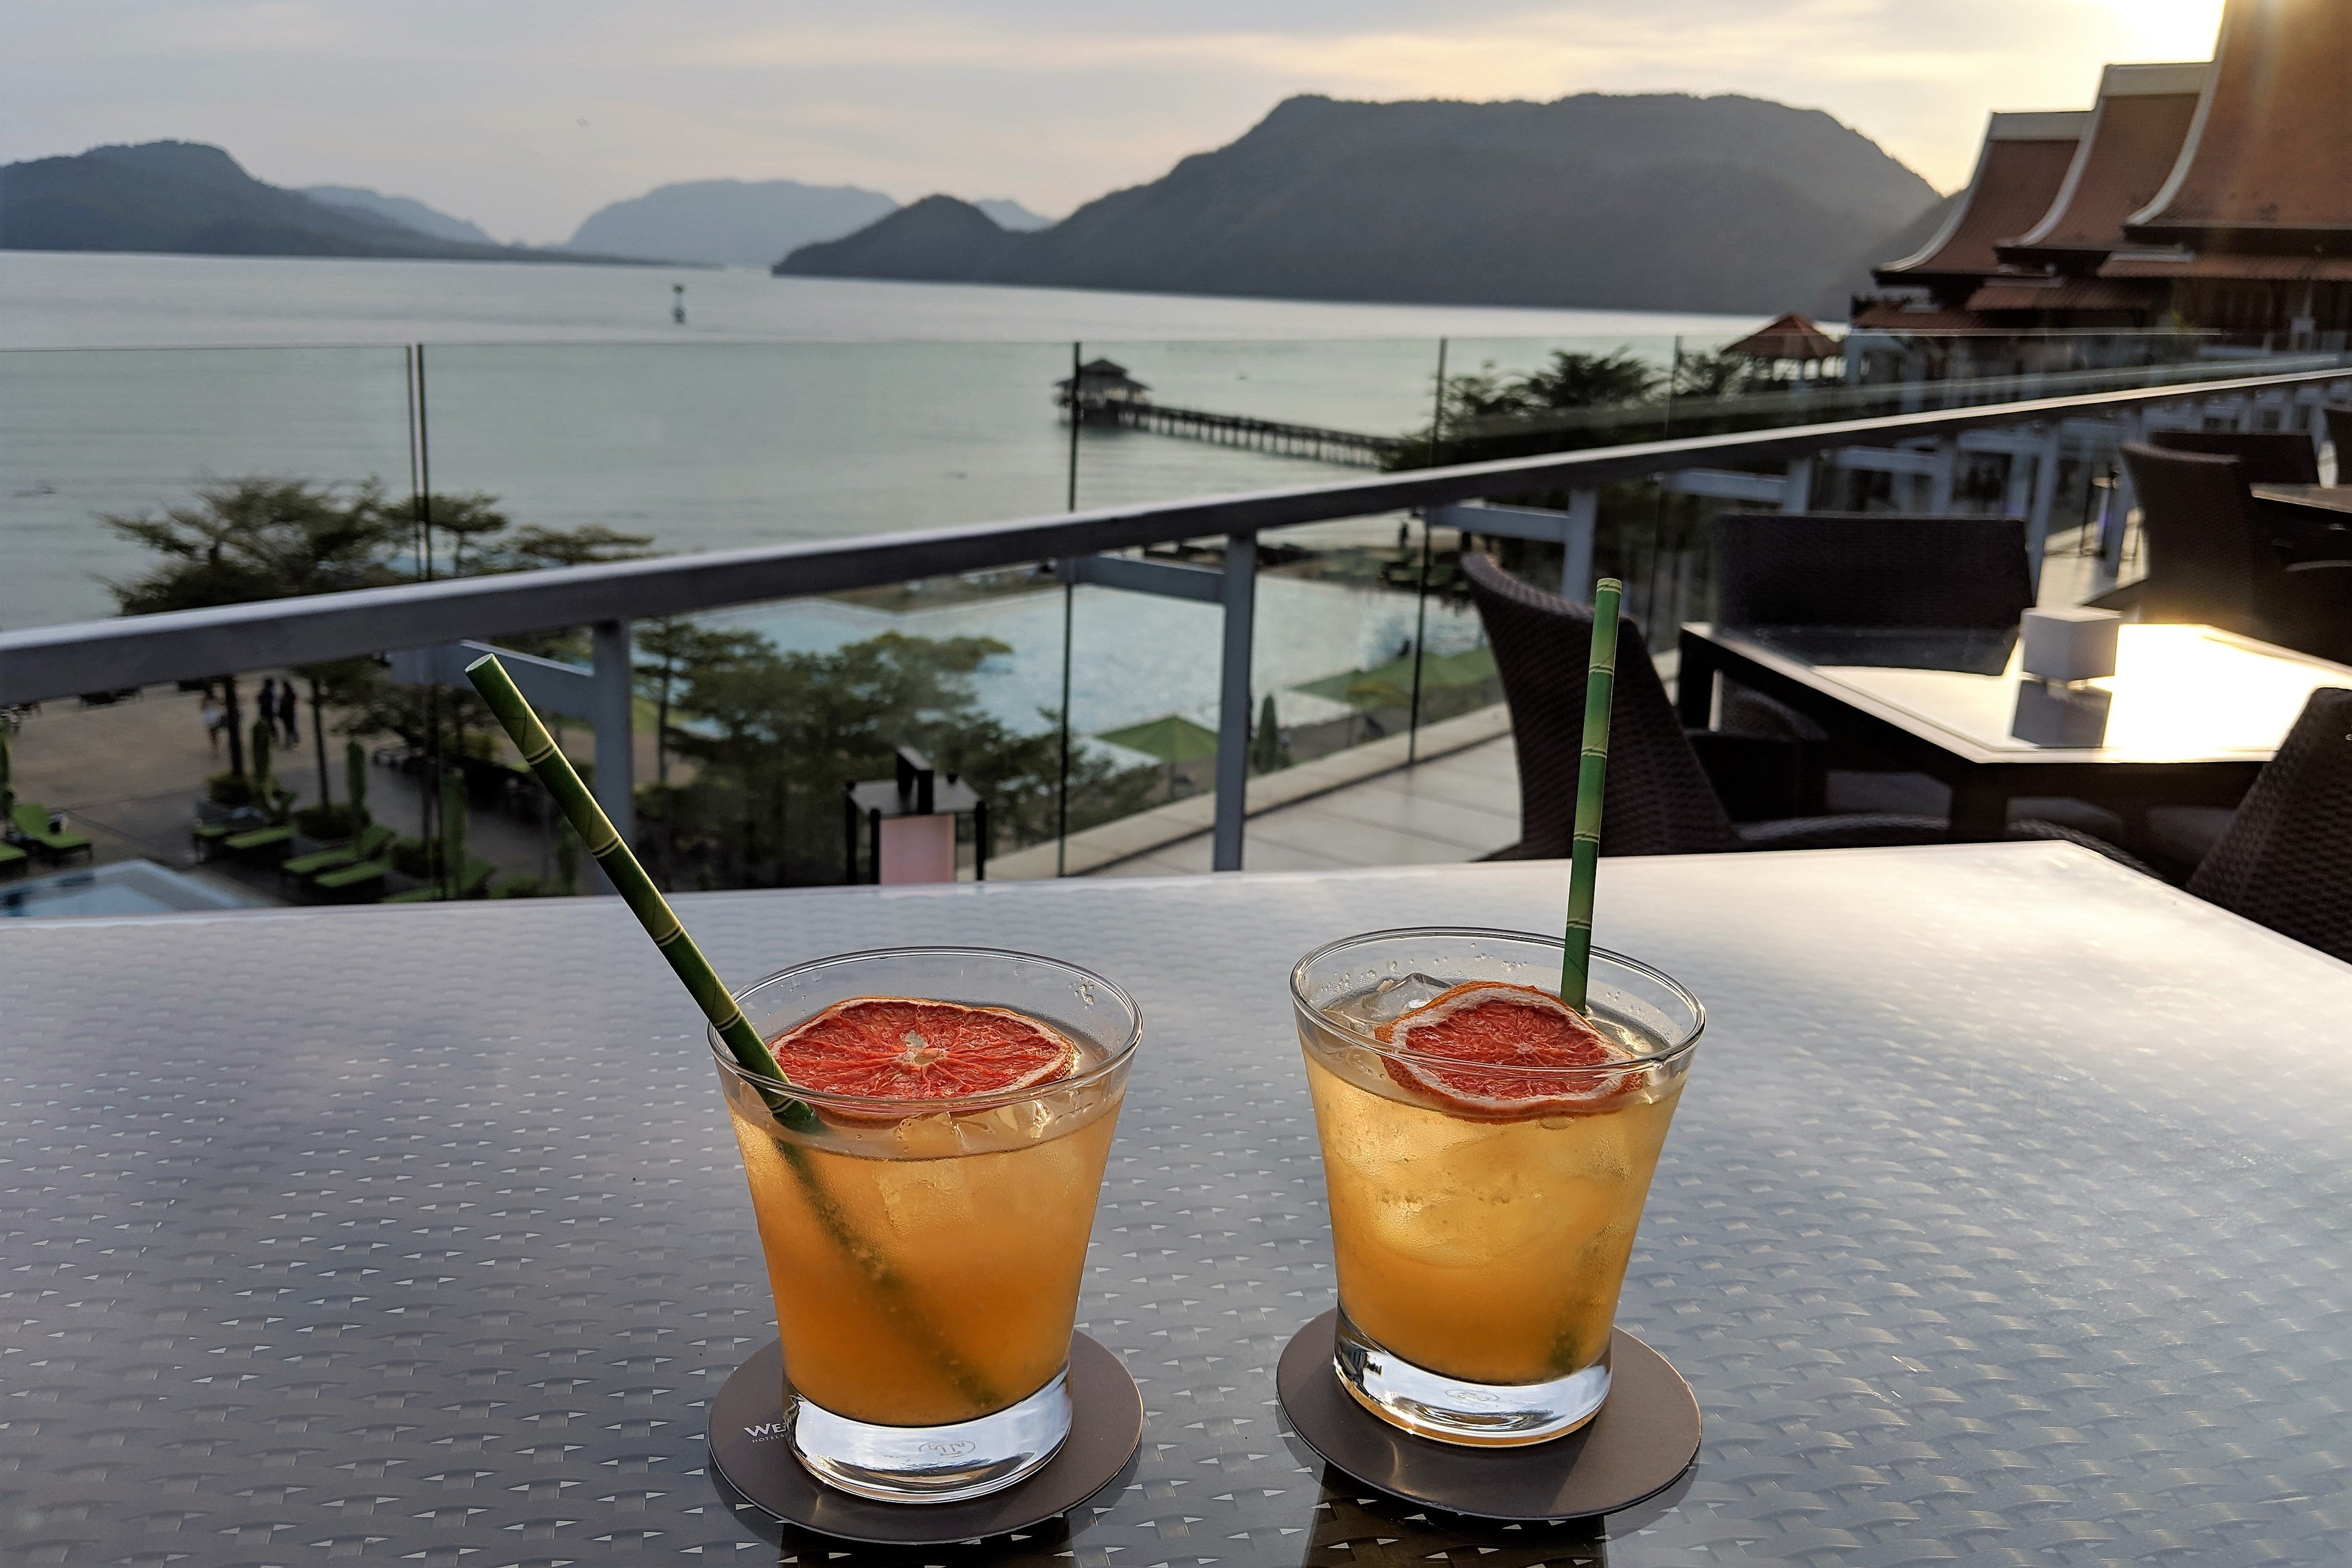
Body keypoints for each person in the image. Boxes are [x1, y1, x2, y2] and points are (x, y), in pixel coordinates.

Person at [200, 688, 224, 756]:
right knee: (216, 733)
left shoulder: (204, 699)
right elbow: (221, 703)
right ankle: (216, 747)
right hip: (216, 716)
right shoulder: (215, 697)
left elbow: (202, 708)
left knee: (211, 734)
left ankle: (214, 748)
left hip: (209, 717)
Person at [278, 680, 299, 747]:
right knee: (290, 728)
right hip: (288, 713)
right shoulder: (287, 694)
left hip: (289, 713)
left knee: (290, 728)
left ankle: (293, 741)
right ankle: (293, 741)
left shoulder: (289, 695)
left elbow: (288, 703)